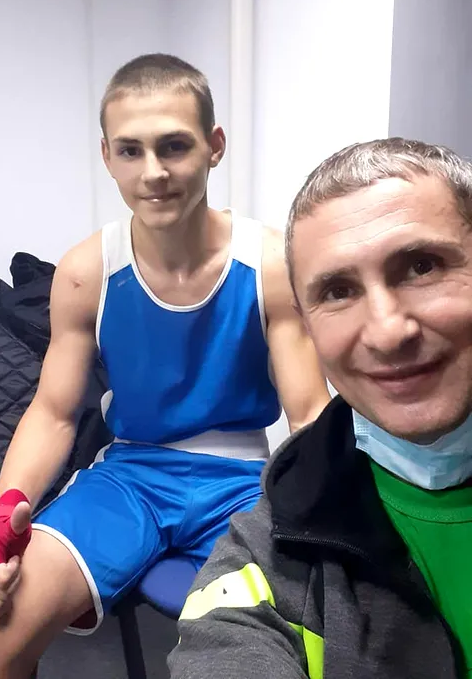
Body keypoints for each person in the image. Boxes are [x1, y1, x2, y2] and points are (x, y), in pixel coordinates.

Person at [0, 53, 329, 678]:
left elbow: (310, 413)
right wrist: (1, 515)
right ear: (107, 156)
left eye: (174, 146)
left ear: (214, 146)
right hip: (129, 477)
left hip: (242, 483)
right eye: (131, 150)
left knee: (280, 652)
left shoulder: (270, 263)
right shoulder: (86, 272)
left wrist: (334, 510)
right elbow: (53, 412)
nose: (153, 172)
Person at [168, 137, 472, 679]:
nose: (387, 332)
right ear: (305, 325)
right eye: (337, 292)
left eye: (422, 266)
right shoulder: (267, 556)